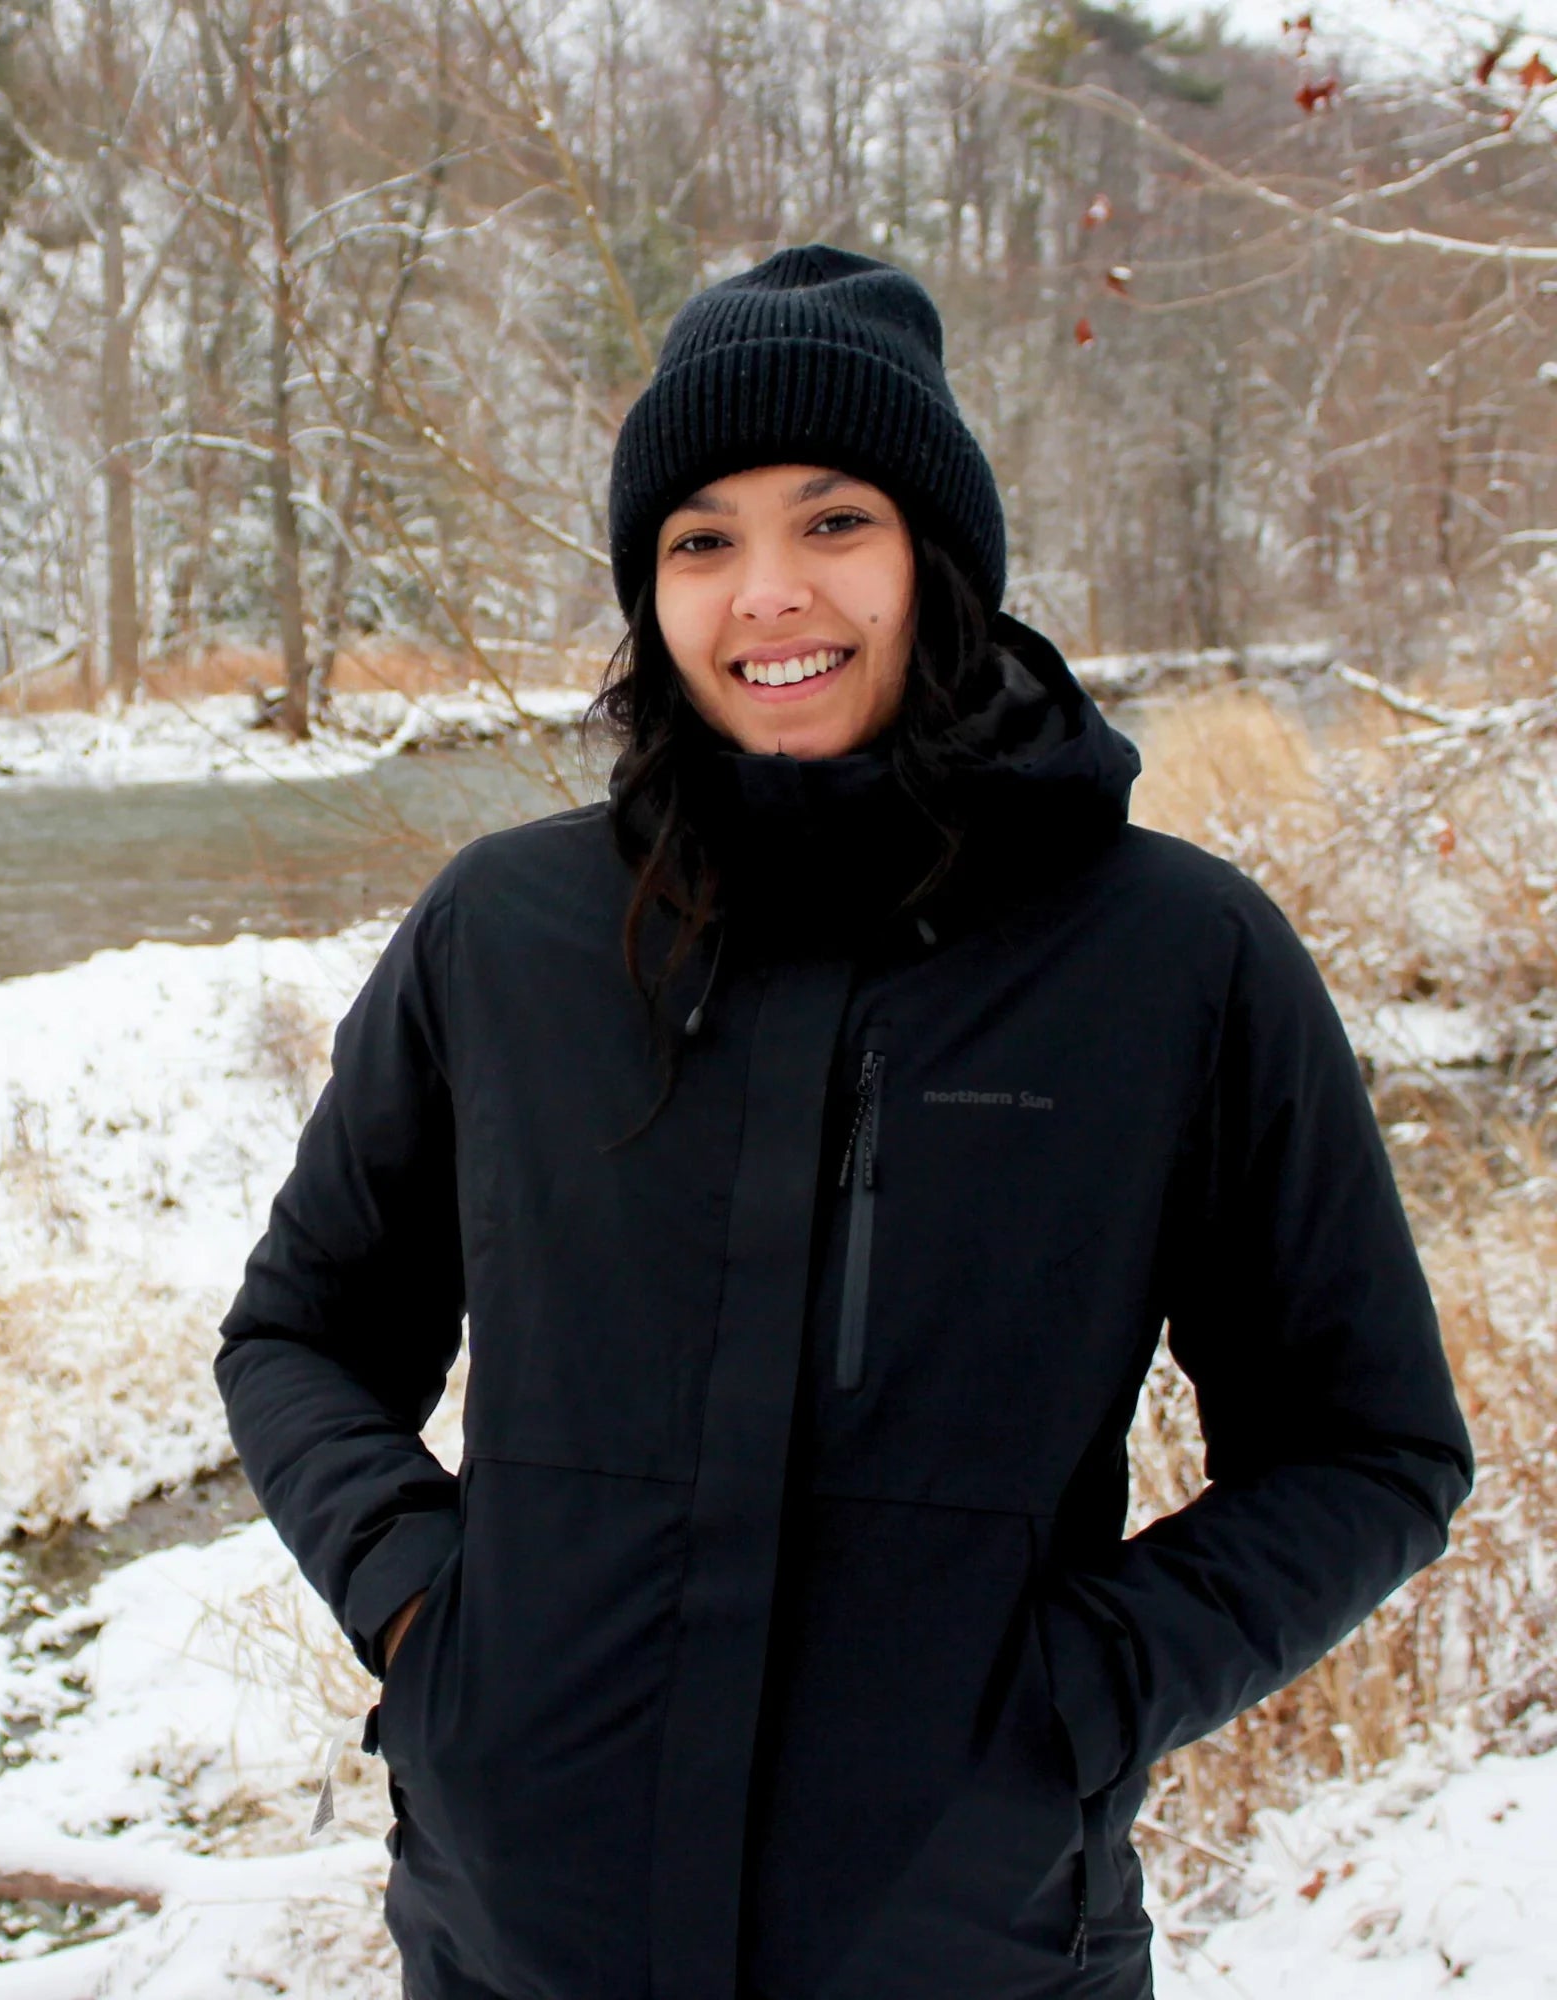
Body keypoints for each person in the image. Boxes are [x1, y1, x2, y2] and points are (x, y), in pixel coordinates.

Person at [214, 246, 1473, 2000]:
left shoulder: (1174, 959)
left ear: (935, 558)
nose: (768, 597)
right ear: (649, 592)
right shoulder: (504, 937)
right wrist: (434, 1621)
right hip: (523, 1951)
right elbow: (299, 1337)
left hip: (972, 1953)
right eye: (701, 540)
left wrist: (1074, 1700)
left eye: (834, 523)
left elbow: (1371, 1449)